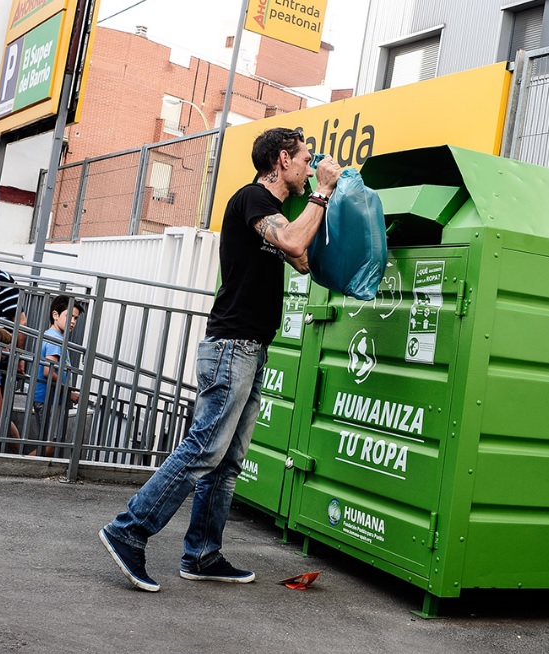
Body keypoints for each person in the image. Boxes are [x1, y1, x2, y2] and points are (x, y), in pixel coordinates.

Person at [99, 127, 342, 592]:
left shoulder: (279, 213)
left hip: (253, 346)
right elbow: (292, 242)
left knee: (228, 460)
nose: (310, 167)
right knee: (204, 448)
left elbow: (305, 259)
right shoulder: (251, 199)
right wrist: (324, 191)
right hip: (233, 345)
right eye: (305, 159)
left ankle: (202, 554)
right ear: (281, 160)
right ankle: (128, 530)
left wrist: (334, 205)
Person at [32, 294, 83, 458]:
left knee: (50, 443)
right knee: (51, 445)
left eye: (76, 318)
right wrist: (69, 392)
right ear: (55, 315)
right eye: (70, 316)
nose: (73, 322)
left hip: (50, 399)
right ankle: (21, 467)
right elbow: (49, 371)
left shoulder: (53, 336)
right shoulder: (55, 339)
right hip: (50, 400)